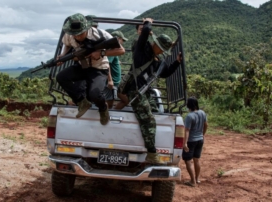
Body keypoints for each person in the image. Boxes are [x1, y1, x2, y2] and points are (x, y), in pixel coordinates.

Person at [118, 18, 182, 164]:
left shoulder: (156, 61)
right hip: (134, 90)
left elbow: (165, 73)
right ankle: (152, 152)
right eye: (158, 46)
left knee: (156, 111)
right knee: (149, 120)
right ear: (154, 43)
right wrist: (147, 22)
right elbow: (145, 33)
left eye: (162, 49)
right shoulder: (142, 51)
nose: (159, 49)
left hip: (144, 92)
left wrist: (177, 62)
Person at [56, 13, 125, 125]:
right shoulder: (69, 34)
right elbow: (67, 45)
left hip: (99, 68)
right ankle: (82, 101)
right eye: (75, 34)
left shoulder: (100, 34)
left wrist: (101, 52)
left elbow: (121, 50)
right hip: (82, 66)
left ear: (86, 28)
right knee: (61, 77)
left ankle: (103, 108)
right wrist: (63, 56)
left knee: (95, 94)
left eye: (80, 34)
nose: (77, 36)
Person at [182, 97, 208, 187]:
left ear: (188, 105)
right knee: (196, 159)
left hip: (191, 141)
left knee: (188, 161)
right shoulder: (202, 113)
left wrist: (185, 143)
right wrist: (203, 134)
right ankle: (197, 179)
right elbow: (206, 125)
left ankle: (192, 181)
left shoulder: (189, 116)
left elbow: (187, 131)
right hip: (200, 139)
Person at [104, 30, 128, 109]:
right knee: (109, 104)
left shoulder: (112, 50)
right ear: (117, 39)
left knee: (124, 100)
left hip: (116, 83)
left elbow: (110, 62)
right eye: (122, 40)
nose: (123, 42)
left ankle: (110, 115)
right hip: (113, 83)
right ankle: (106, 118)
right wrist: (110, 80)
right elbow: (107, 64)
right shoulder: (113, 49)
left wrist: (117, 62)